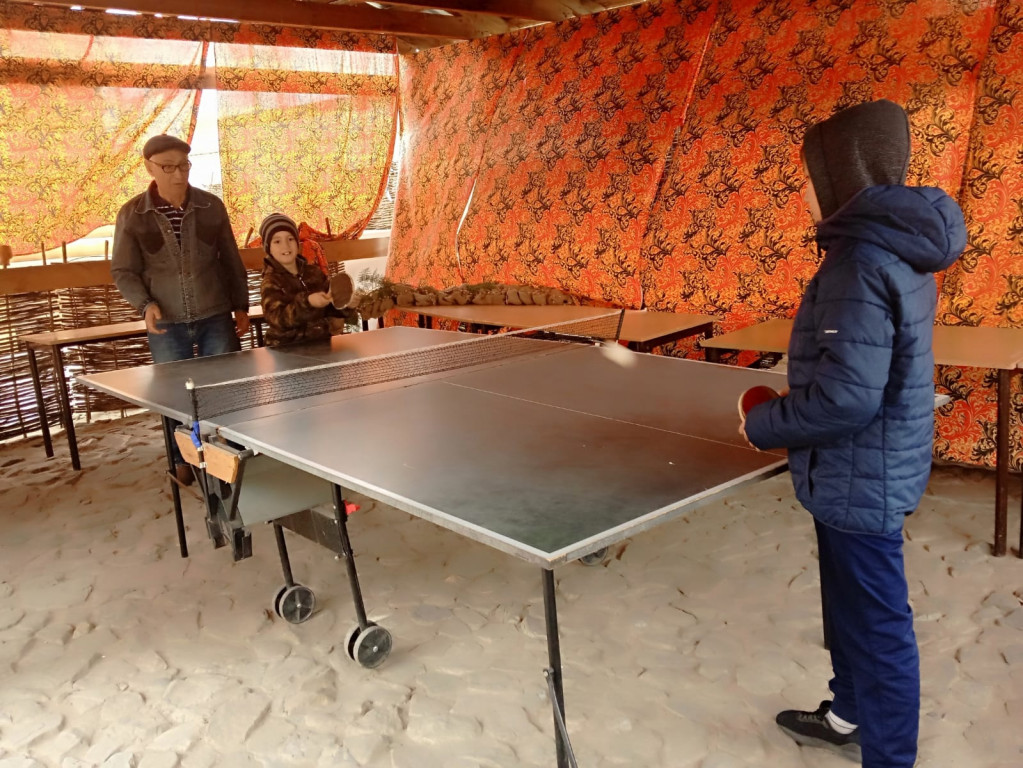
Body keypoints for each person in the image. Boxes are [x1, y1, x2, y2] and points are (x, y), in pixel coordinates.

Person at [740, 99, 965, 767]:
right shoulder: (893, 249)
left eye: (809, 176)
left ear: (840, 172)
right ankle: (846, 714)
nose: (805, 192)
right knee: (847, 607)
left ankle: (888, 757)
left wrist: (761, 424)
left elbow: (844, 399)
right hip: (864, 468)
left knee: (878, 625)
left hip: (860, 472)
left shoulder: (857, 262)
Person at [112, 133, 251, 484]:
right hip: (167, 322)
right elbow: (123, 270)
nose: (178, 174)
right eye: (168, 167)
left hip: (215, 313)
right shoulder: (132, 214)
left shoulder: (211, 206)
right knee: (174, 396)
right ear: (149, 167)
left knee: (228, 386)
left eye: (184, 165)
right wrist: (144, 304)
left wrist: (241, 306)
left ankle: (234, 453)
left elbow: (231, 260)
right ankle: (182, 458)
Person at [258, 212, 352, 348]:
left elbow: (331, 306)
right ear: (268, 248)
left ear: (297, 242)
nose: (285, 246)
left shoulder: (314, 273)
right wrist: (307, 302)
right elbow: (277, 319)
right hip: (285, 350)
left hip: (320, 345)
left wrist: (347, 304)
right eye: (277, 241)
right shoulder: (270, 282)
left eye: (290, 239)